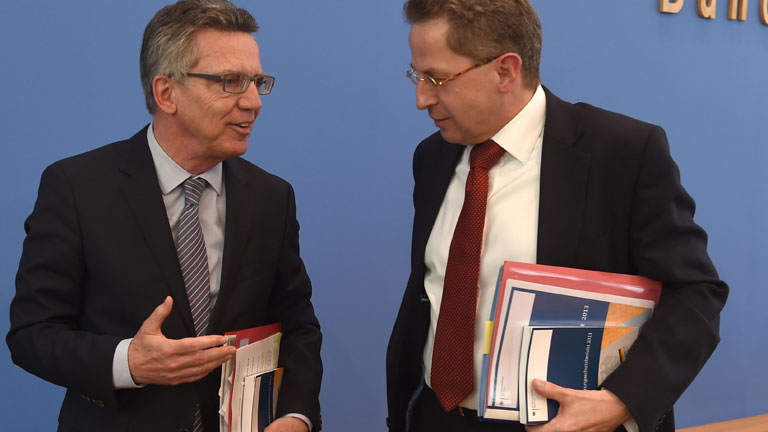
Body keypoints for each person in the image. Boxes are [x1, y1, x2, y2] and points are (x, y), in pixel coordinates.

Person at [385, 1, 728, 432]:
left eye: (437, 78)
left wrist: (623, 401)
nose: (421, 99)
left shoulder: (621, 153)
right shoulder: (433, 158)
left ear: (505, 71)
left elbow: (695, 293)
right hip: (436, 417)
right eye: (417, 75)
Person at [6, 1, 321, 431]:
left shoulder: (271, 197)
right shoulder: (78, 188)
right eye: (230, 82)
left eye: (257, 82)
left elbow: (298, 326)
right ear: (166, 93)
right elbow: (32, 334)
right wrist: (129, 363)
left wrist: (296, 416)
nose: (253, 102)